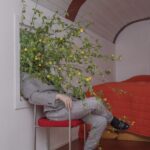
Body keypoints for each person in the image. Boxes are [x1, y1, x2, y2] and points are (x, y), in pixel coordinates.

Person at [20, 72, 129, 150]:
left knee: (101, 121)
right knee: (95, 101)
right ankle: (113, 120)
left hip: (70, 107)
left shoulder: (46, 72)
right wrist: (58, 95)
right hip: (56, 112)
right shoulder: (26, 75)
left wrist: (73, 95)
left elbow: (62, 92)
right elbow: (32, 97)